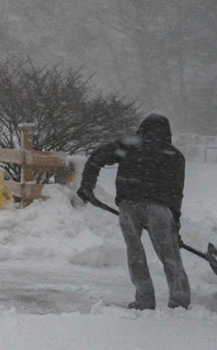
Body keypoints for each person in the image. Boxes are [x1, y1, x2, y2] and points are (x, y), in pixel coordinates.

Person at [77, 113, 190, 310]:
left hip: (129, 205)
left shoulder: (129, 144)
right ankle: (179, 301)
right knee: (170, 255)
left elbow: (97, 157)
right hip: (160, 209)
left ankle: (144, 299)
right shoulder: (175, 156)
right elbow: (176, 194)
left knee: (135, 252)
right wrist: (175, 226)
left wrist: (87, 186)